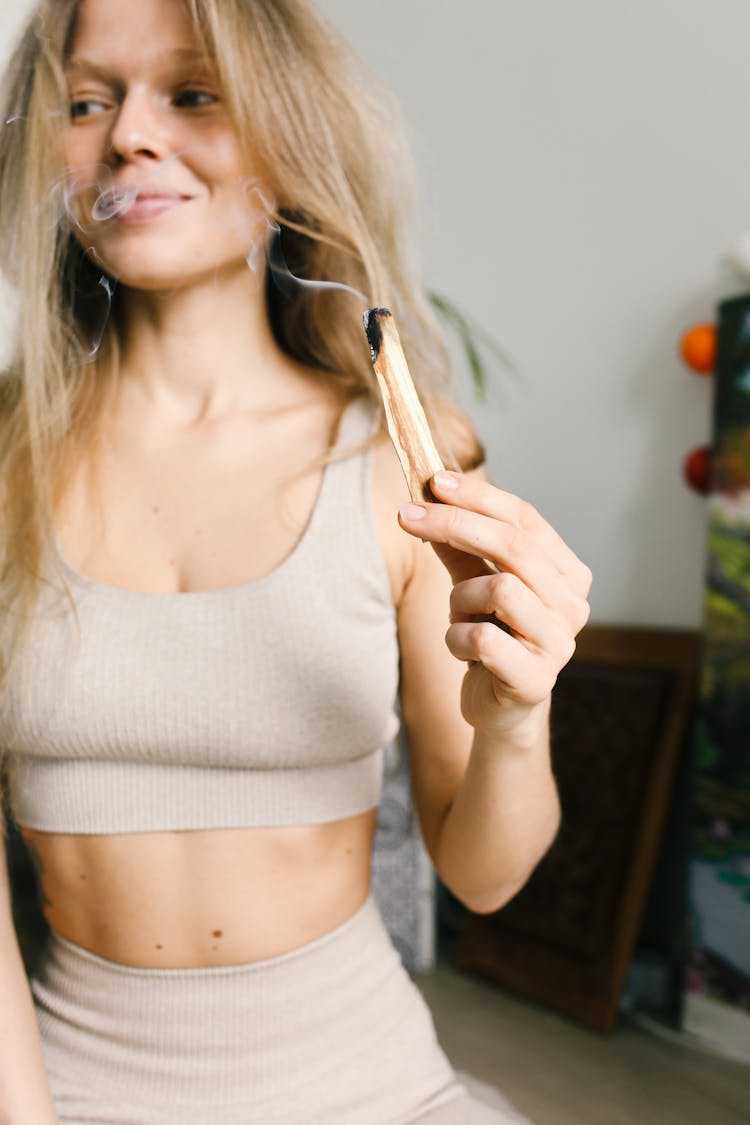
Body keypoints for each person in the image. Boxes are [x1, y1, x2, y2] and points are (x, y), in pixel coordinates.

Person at [0, 0, 591, 1122]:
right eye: (88, 101)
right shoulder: (2, 467)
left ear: (285, 135)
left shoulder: (403, 463)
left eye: (191, 92)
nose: (128, 134)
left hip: (373, 1088)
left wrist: (518, 715)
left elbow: (484, 875)